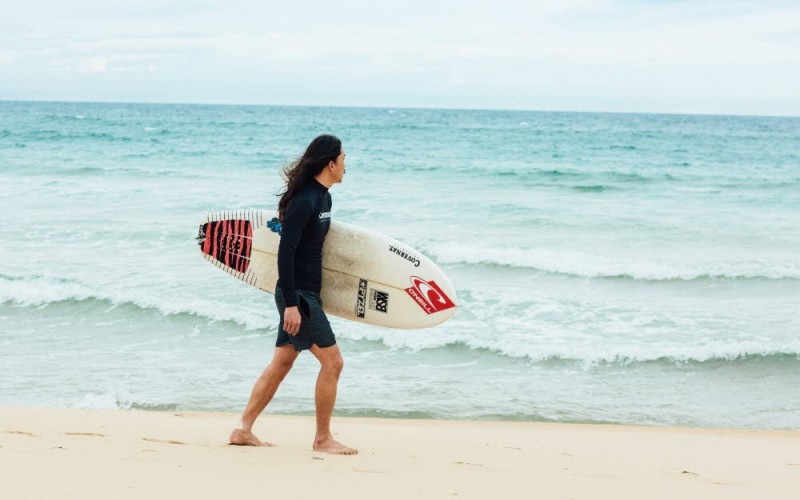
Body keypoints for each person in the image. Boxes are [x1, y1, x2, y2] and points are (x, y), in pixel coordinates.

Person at [229, 134, 357, 455]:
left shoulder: (324, 198)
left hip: (305, 293)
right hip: (298, 296)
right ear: (331, 164)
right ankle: (323, 439)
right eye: (343, 159)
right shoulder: (305, 200)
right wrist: (291, 304)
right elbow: (285, 253)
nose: (346, 166)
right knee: (333, 363)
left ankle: (243, 429)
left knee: (282, 362)